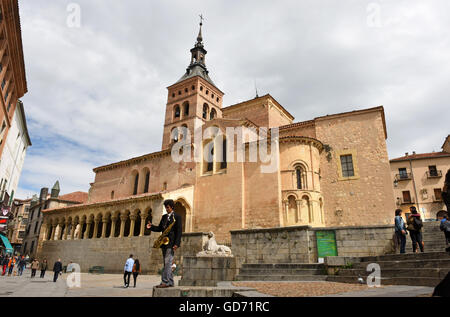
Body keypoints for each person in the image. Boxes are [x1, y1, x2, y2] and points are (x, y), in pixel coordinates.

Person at [147, 199, 182, 288]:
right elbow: (159, 228)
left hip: (171, 243)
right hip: (164, 242)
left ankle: (165, 281)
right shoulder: (164, 217)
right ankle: (170, 282)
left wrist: (177, 244)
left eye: (168, 207)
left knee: (167, 262)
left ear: (172, 207)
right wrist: (151, 227)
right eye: (165, 207)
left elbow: (179, 231)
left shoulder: (177, 217)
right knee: (167, 263)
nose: (166, 209)